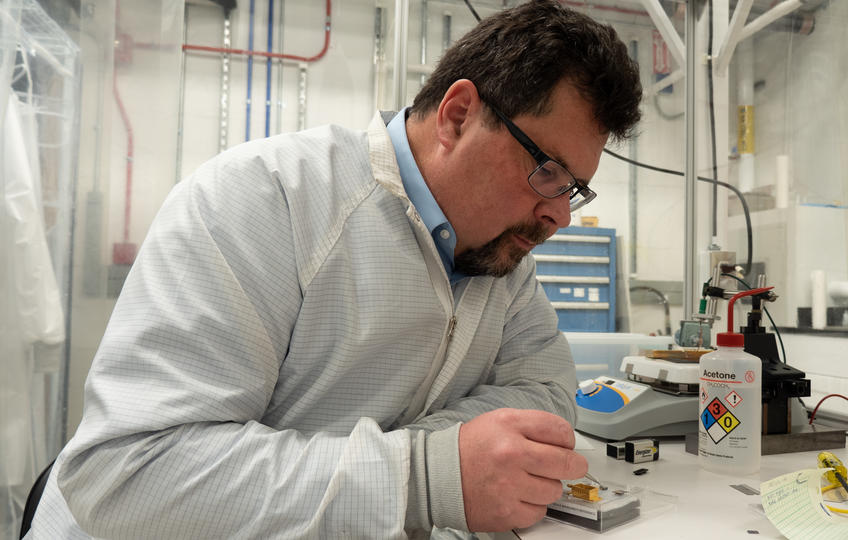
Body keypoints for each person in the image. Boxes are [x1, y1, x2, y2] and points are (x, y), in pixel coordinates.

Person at [28, 1, 642, 537]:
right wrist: (423, 476)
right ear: (457, 116)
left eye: (575, 189)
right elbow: (128, 476)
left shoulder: (501, 259)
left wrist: (444, 459)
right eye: (548, 171)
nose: (558, 214)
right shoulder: (266, 199)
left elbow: (549, 395)